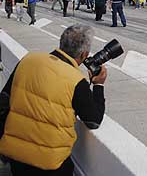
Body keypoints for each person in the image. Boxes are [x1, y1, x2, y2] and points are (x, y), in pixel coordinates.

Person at [0, 25, 107, 175]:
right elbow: (94, 121)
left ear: (61, 42)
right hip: (50, 164)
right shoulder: (76, 80)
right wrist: (98, 85)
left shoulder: (28, 59)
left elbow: (4, 99)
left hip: (16, 156)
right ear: (84, 54)